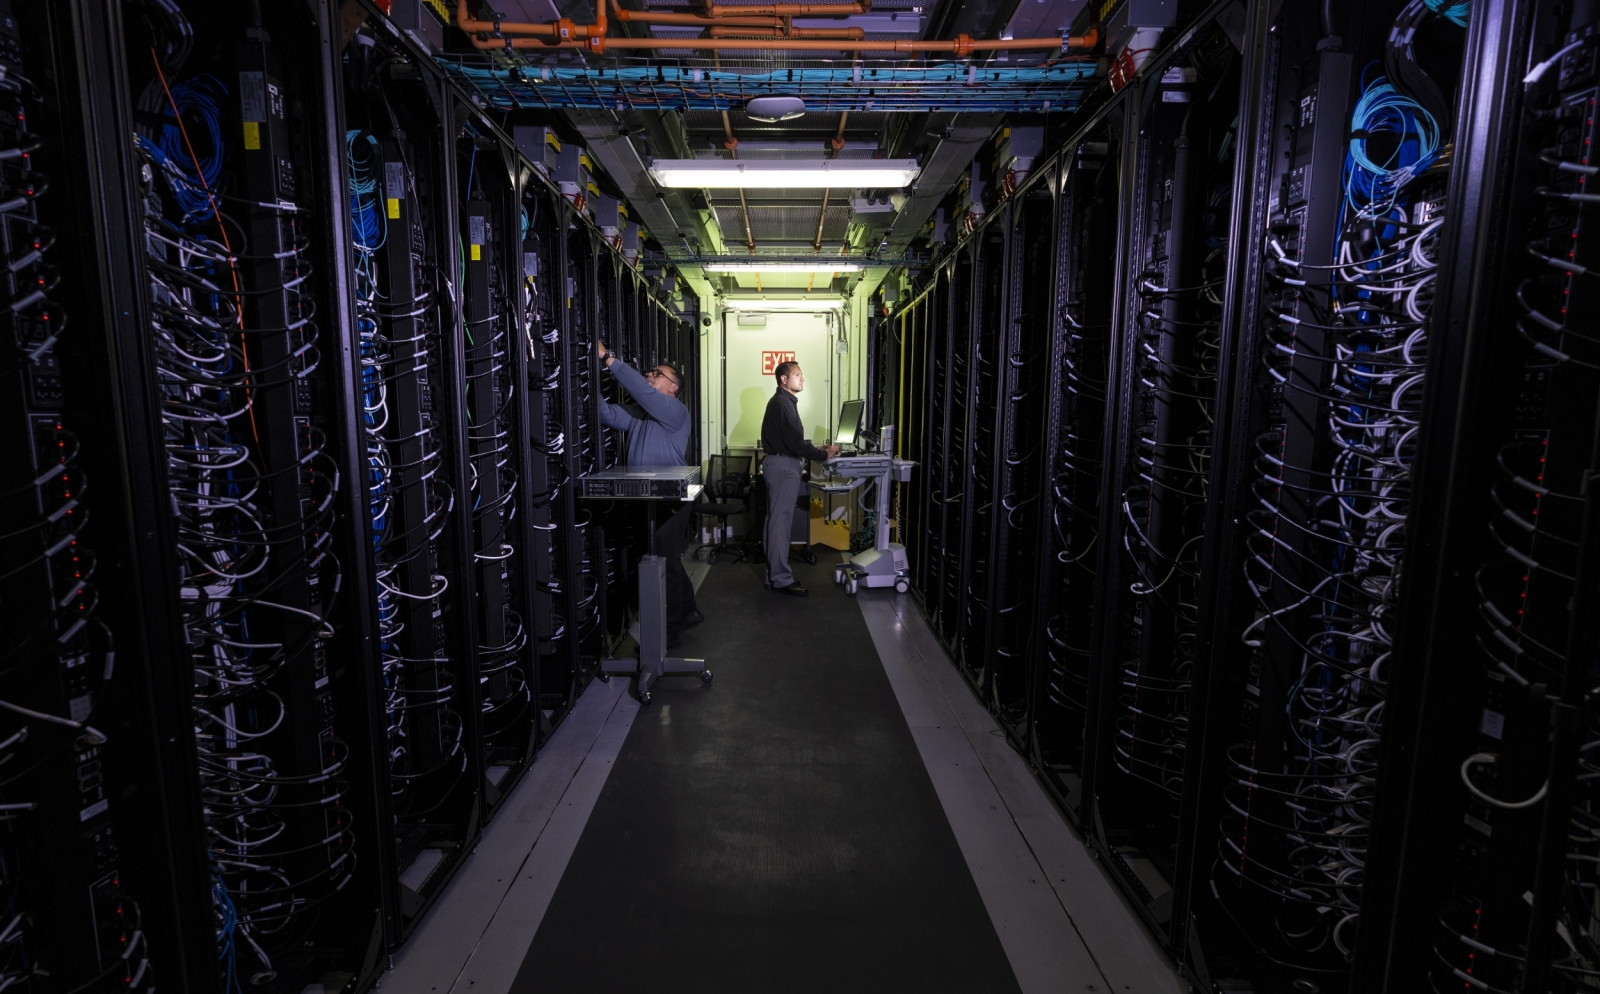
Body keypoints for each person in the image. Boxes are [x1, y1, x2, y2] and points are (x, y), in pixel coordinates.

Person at [595, 340, 702, 647]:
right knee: (664, 559)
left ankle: (668, 635)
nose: (649, 375)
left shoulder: (675, 411)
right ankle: (689, 610)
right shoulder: (642, 414)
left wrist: (608, 358)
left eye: (657, 373)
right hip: (647, 500)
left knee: (663, 564)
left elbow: (643, 392)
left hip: (670, 501)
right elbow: (608, 415)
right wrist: (585, 375)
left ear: (673, 387)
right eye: (650, 371)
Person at [760, 361, 839, 597]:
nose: (802, 378)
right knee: (780, 526)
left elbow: (791, 441)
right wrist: (823, 454)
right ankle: (781, 579)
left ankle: (773, 576)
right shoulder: (783, 403)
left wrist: (815, 448)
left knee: (774, 523)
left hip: (781, 464)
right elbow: (793, 444)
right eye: (797, 375)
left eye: (802, 375)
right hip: (784, 467)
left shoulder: (784, 403)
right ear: (784, 379)